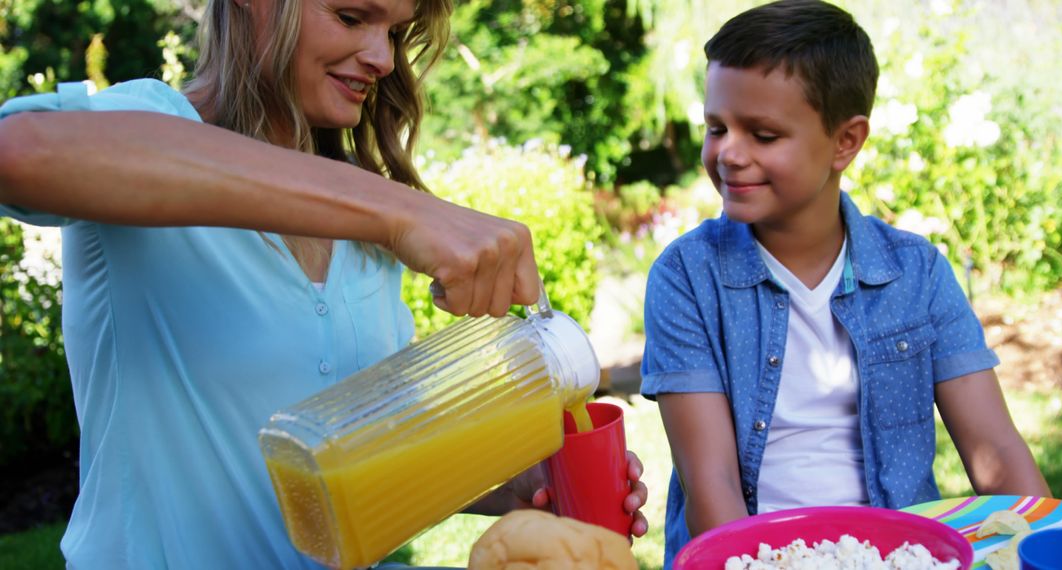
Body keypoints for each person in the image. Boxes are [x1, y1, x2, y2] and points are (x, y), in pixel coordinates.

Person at [0, 0, 647, 567]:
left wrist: (508, 484)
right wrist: (402, 211)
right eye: (351, 16)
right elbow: (19, 153)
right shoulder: (146, 122)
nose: (383, 57)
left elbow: (350, 466)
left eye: (395, 30)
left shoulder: (366, 245)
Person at [639, 0, 1051, 566]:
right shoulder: (687, 276)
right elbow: (713, 488)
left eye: (762, 134)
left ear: (845, 142)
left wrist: (1039, 548)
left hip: (901, 555)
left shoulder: (918, 272)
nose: (729, 153)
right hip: (753, 557)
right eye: (717, 127)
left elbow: (996, 450)